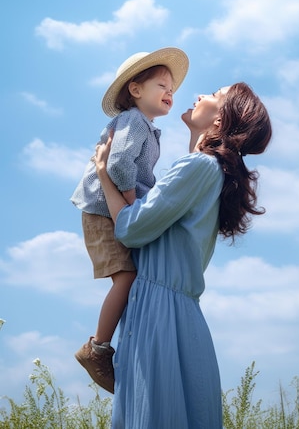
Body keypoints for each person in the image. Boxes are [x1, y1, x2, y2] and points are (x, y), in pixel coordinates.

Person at [93, 81, 272, 428]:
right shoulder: (211, 171)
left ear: (219, 121)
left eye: (214, 96)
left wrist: (103, 174)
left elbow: (131, 228)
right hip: (180, 312)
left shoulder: (199, 168)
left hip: (157, 311)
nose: (201, 96)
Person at [70, 47, 189, 394]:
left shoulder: (148, 129)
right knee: (126, 278)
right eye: (162, 85)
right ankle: (97, 349)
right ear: (135, 90)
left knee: (132, 279)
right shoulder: (134, 121)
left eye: (172, 89)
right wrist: (135, 207)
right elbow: (119, 165)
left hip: (112, 206)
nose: (170, 93)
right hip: (101, 210)